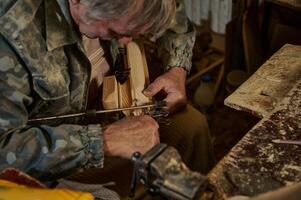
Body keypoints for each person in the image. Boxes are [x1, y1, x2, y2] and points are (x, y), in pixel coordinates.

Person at [0, 0, 214, 192]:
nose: (125, 43)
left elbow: (170, 10)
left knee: (192, 127)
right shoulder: (11, 33)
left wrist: (176, 70)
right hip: (56, 149)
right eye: (114, 31)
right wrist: (102, 141)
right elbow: (4, 151)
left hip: (112, 108)